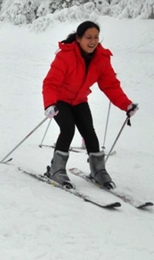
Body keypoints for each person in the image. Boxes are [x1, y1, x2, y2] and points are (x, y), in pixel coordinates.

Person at [42, 21, 138, 189]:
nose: (92, 41)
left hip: (79, 100)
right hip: (60, 100)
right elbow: (50, 83)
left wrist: (126, 105)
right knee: (68, 129)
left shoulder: (101, 58)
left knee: (89, 131)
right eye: (88, 37)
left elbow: (110, 85)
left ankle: (98, 170)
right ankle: (56, 169)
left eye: (96, 37)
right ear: (79, 38)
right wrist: (50, 104)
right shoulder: (66, 55)